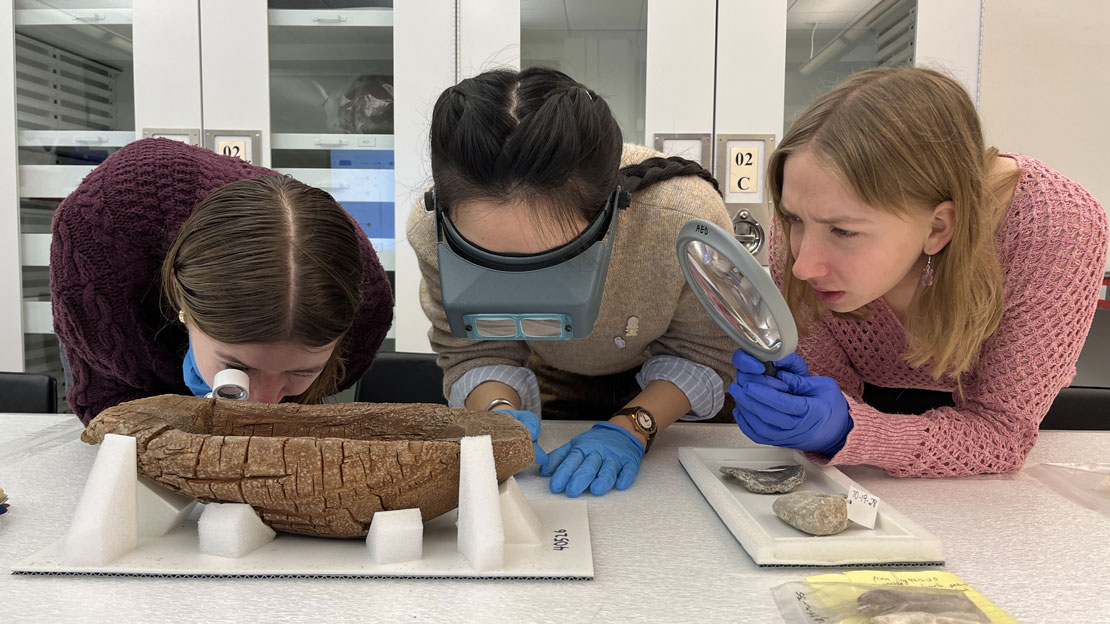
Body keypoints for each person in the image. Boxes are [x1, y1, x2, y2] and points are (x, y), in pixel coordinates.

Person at [729, 67, 1108, 477]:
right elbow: (829, 391)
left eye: (843, 231)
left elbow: (1002, 433)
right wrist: (792, 405)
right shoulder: (803, 229)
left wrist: (851, 431)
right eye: (794, 219)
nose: (803, 267)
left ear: (938, 227)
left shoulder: (1059, 226)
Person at [407, 67, 737, 497]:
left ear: (609, 213)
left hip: (673, 380)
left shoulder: (680, 218)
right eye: (488, 261)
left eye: (554, 260)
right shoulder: (429, 229)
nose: (523, 285)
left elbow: (705, 349)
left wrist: (632, 427)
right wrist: (495, 409)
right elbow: (475, 347)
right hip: (557, 367)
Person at [51, 138, 394, 426]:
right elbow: (107, 409)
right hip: (122, 295)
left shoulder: (367, 307)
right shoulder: (97, 237)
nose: (263, 403)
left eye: (301, 372)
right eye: (238, 365)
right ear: (180, 298)